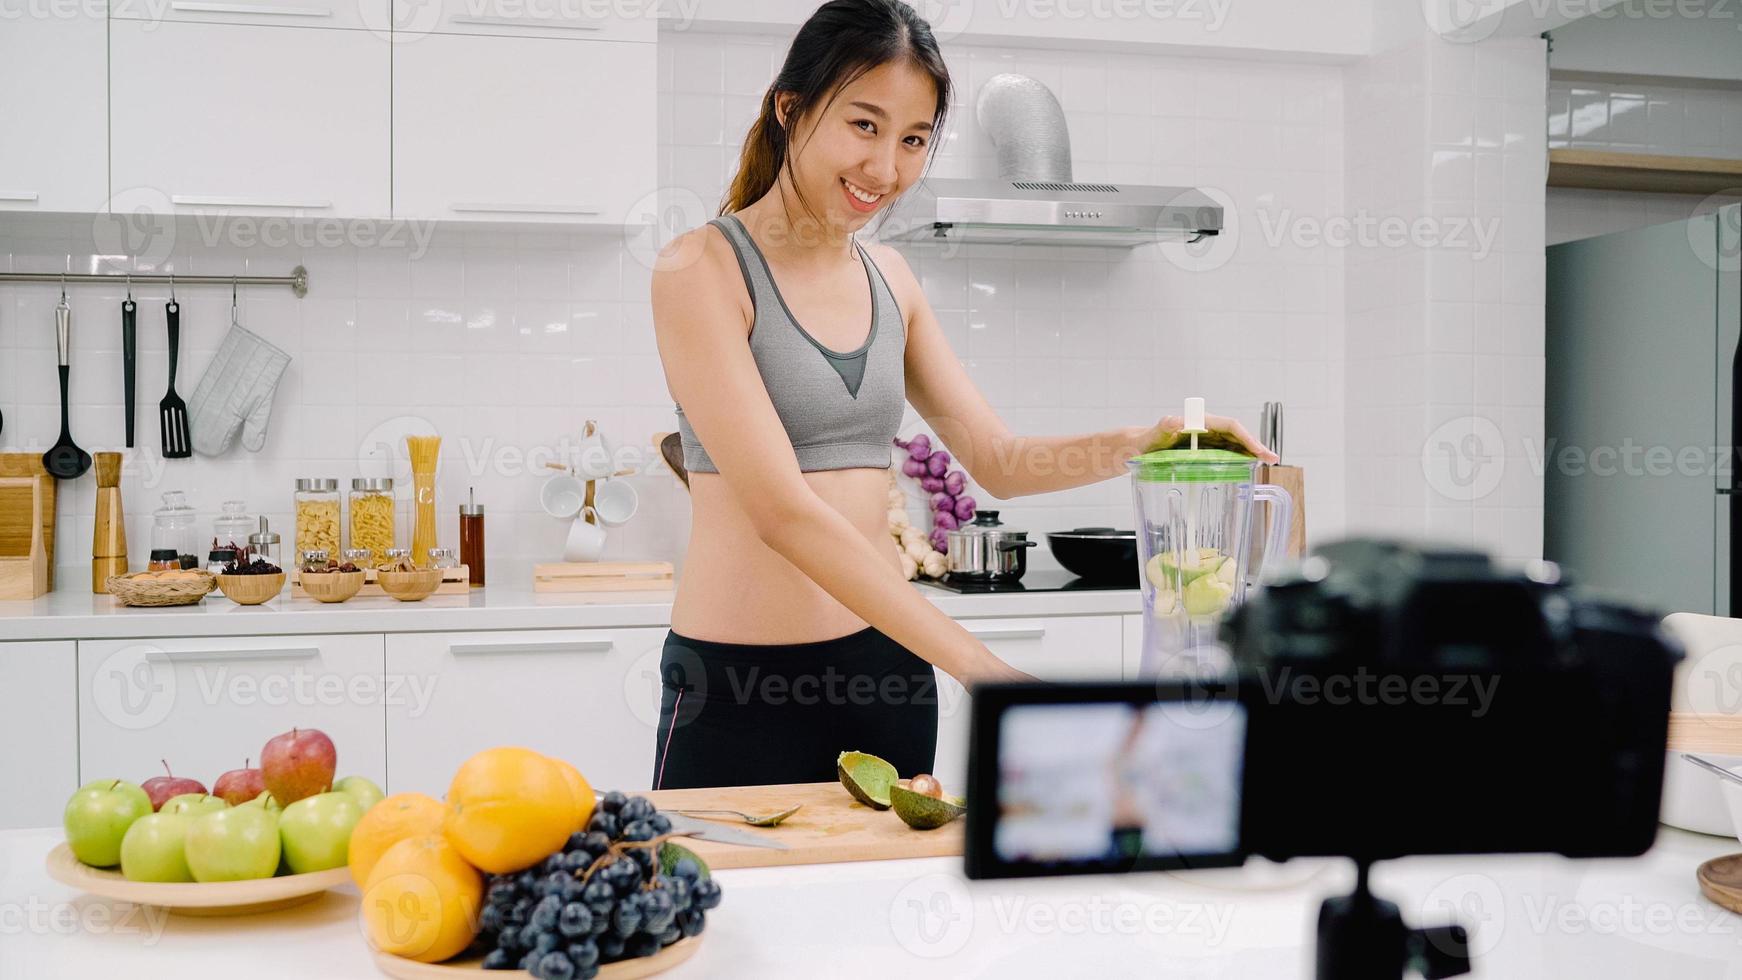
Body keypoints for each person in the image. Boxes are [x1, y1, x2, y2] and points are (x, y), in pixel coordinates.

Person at [649, 0, 1276, 789]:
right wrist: (983, 668)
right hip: (736, 689)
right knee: (726, 914)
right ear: (790, 107)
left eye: (913, 140)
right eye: (864, 125)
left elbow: (999, 461)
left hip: (885, 677)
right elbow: (783, 512)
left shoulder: (892, 281)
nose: (886, 170)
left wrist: (1147, 441)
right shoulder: (700, 269)